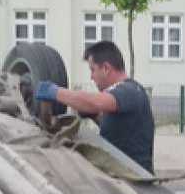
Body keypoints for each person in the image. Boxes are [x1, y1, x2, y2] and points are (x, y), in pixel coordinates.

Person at [35, 40, 154, 173]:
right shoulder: (124, 94)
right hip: (122, 173)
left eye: (93, 70)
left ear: (106, 68)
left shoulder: (129, 90)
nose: (91, 77)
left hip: (136, 180)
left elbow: (94, 103)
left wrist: (54, 92)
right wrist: (96, 118)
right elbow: (122, 132)